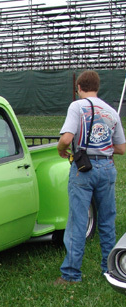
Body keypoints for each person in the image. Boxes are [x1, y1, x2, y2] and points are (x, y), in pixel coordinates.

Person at [55, 70, 126, 284]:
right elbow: (121, 148)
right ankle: (111, 269)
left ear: (78, 88)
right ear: (98, 87)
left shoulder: (77, 106)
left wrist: (61, 149)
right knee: (106, 220)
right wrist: (103, 148)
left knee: (78, 220)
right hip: (107, 168)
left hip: (83, 169)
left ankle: (71, 274)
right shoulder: (111, 111)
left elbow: (67, 138)